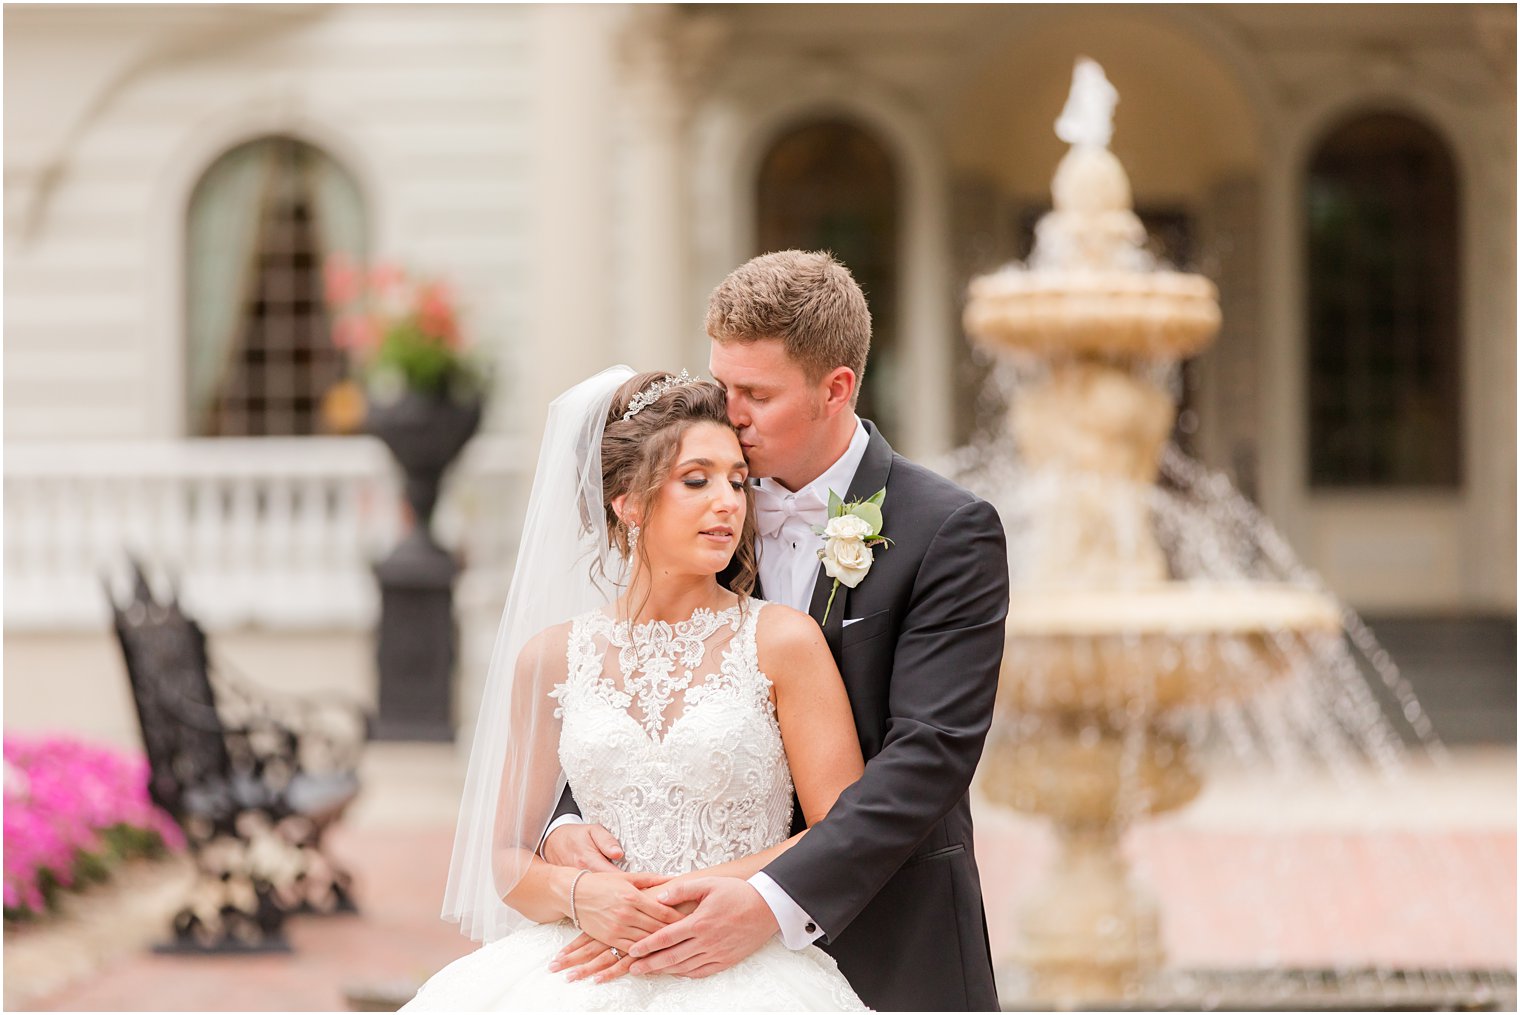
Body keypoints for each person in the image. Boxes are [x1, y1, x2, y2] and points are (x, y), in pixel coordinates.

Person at [547, 251, 1010, 1011]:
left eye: (755, 395)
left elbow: (930, 755)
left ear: (836, 389)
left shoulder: (947, 531)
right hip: (680, 951)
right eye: (723, 384)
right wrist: (563, 819)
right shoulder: (702, 503)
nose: (727, 413)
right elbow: (632, 671)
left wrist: (770, 896)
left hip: (891, 937)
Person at [403, 366, 869, 1011]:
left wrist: (668, 894)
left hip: (738, 964)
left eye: (738, 481)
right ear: (628, 503)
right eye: (696, 480)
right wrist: (580, 895)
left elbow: (841, 828)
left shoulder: (783, 642)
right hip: (581, 967)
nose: (729, 502)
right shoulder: (551, 659)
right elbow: (509, 859)